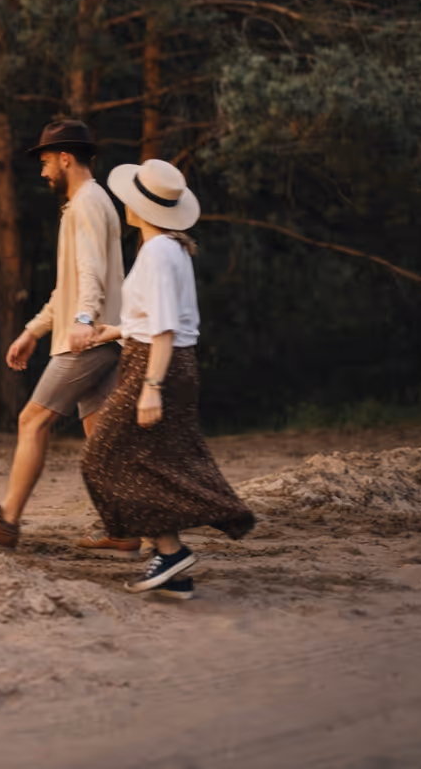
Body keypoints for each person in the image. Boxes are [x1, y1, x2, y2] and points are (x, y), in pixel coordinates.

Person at [0, 119, 131, 552]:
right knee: (100, 434)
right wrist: (33, 330)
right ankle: (126, 526)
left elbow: (91, 277)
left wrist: (84, 320)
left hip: (89, 339)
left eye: (47, 161)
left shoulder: (87, 203)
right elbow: (66, 289)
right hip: (100, 336)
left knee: (32, 419)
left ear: (66, 158)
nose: (44, 170)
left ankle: (7, 522)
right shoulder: (88, 202)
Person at [82, 158, 255, 598]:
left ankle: (172, 552)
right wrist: (117, 330)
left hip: (157, 366)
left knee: (103, 457)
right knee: (151, 463)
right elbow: (158, 317)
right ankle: (174, 570)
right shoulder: (167, 248)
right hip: (163, 360)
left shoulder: (158, 251)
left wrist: (152, 387)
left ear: (142, 207)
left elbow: (163, 327)